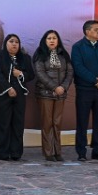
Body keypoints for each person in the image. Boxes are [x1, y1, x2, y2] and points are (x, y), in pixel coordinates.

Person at [71, 20, 98, 161]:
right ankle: (81, 152)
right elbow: (78, 67)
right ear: (87, 31)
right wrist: (95, 80)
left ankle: (97, 150)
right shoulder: (78, 47)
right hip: (84, 90)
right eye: (96, 29)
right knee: (82, 121)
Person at [0, 34, 34, 161]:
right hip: (2, 94)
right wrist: (8, 88)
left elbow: (31, 75)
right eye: (11, 41)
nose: (14, 44)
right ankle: (3, 153)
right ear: (5, 43)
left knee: (18, 124)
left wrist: (21, 74)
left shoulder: (24, 57)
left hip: (19, 95)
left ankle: (16, 152)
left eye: (17, 42)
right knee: (2, 124)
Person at [32, 30, 74, 162]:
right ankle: (48, 152)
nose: (52, 40)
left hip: (60, 94)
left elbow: (69, 72)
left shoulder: (63, 54)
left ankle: (58, 152)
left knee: (57, 123)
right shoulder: (40, 54)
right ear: (45, 41)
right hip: (45, 94)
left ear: (58, 40)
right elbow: (40, 73)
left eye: (54, 38)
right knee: (47, 123)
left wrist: (63, 87)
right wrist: (54, 87)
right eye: (49, 38)